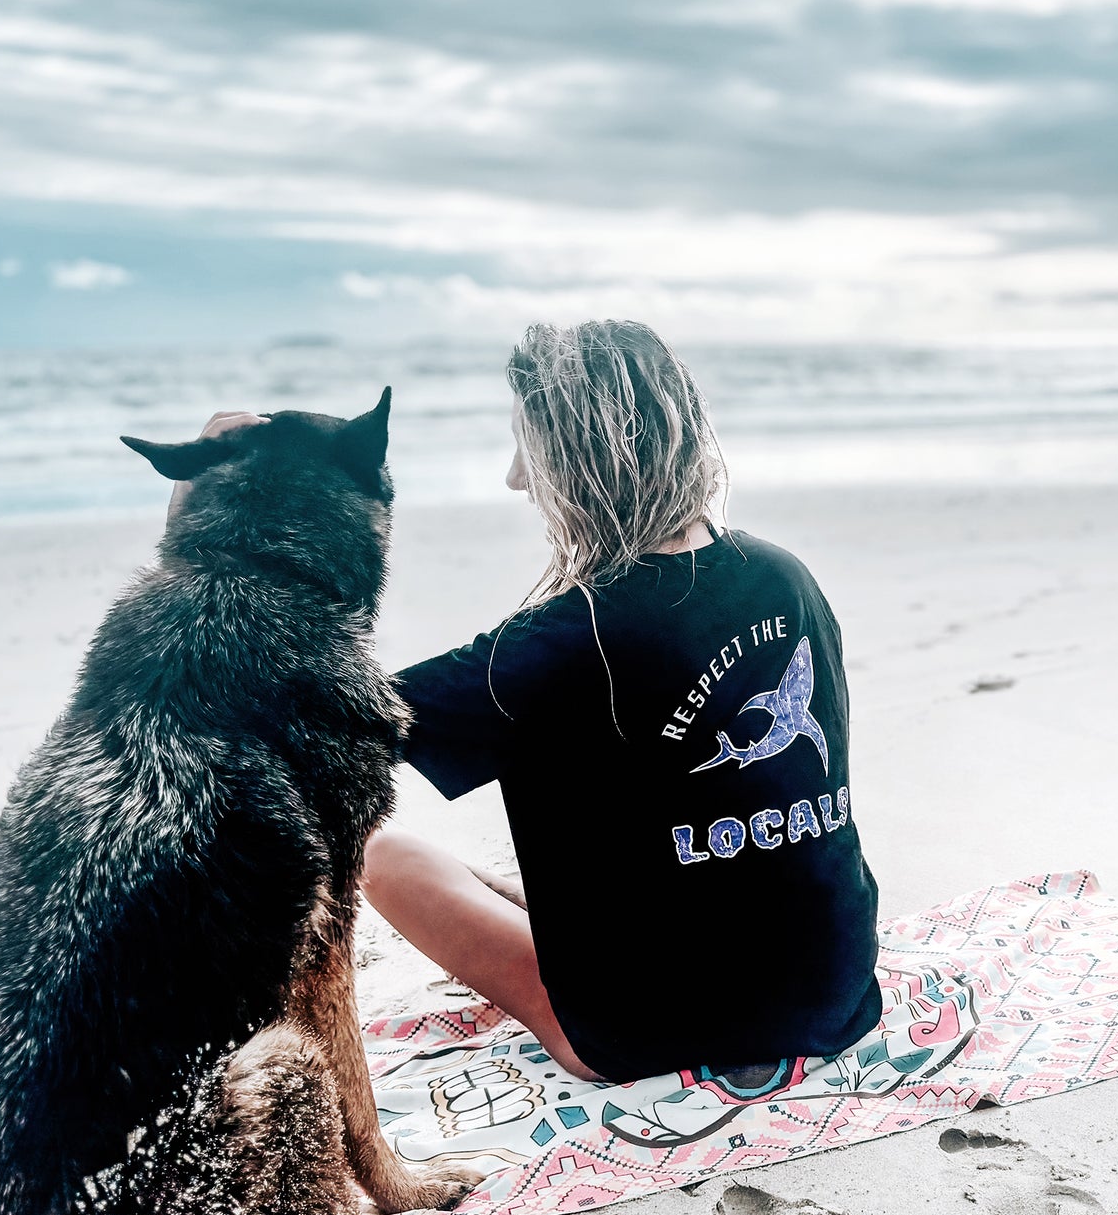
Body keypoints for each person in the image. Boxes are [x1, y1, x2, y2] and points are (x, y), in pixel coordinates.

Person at [363, 320, 881, 1084]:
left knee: (382, 854)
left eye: (524, 449)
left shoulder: (558, 642)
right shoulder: (785, 574)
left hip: (651, 1030)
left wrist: (198, 496)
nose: (513, 477)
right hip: (834, 990)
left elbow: (307, 715)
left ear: (573, 463)